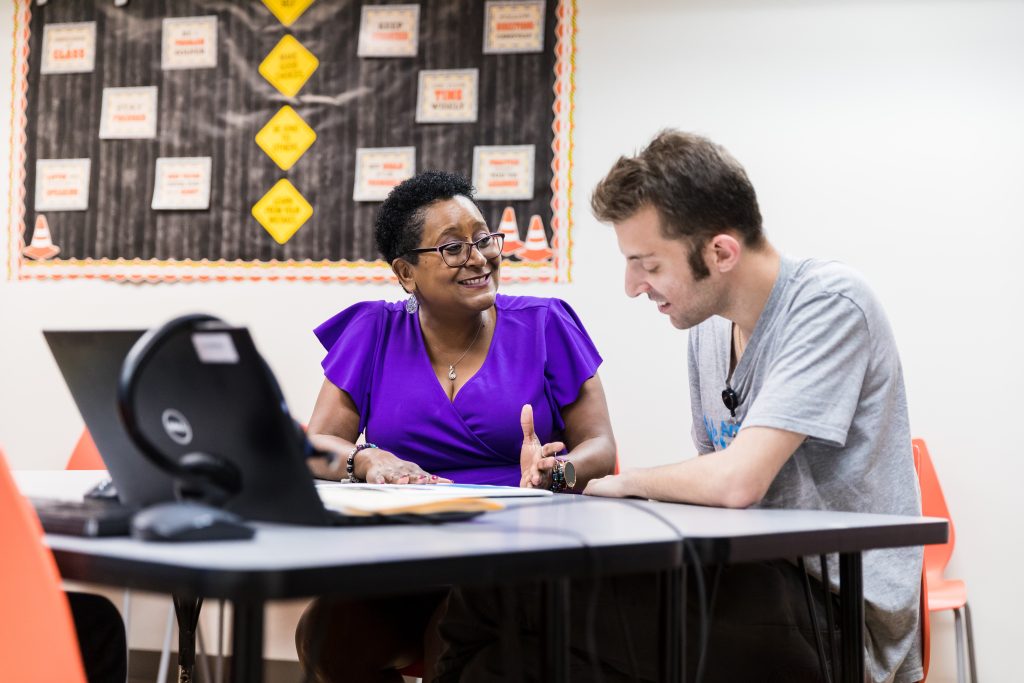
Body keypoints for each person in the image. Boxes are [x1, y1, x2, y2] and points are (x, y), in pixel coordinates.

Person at [435, 131, 923, 683]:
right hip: (748, 580)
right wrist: (573, 481)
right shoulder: (707, 332)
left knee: (513, 595)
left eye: (647, 264)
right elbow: (715, 494)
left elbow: (737, 482)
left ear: (720, 252)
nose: (632, 286)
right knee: (506, 641)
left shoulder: (831, 305)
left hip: (831, 613)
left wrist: (621, 481)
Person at [295, 170, 617, 682]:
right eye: (451, 247)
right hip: (408, 552)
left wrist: (557, 472)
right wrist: (364, 458)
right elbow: (314, 445)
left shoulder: (545, 323)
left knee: (452, 634)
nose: (479, 256)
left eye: (483, 237)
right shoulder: (373, 331)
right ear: (405, 273)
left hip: (514, 554)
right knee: (326, 636)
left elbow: (600, 447)